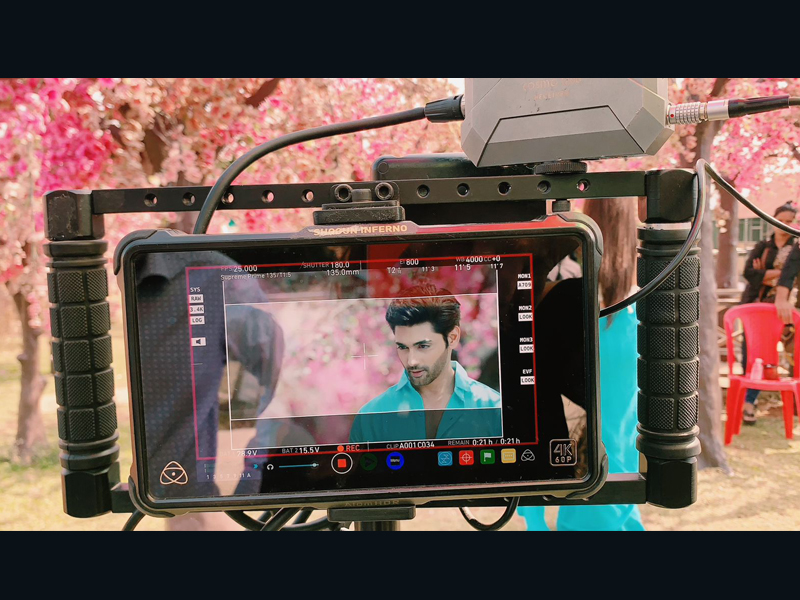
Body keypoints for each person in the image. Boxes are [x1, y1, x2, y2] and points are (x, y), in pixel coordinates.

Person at [517, 197, 645, 531]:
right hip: (619, 475)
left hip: (574, 473)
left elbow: (537, 398)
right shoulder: (643, 306)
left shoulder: (567, 300)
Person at [348, 283, 501, 443]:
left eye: (423, 346)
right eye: (403, 347)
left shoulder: (493, 409)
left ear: (453, 338)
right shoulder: (370, 418)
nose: (411, 361)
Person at [739, 202, 798, 424]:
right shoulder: (763, 246)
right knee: (753, 355)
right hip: (757, 306)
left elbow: (789, 275)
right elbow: (749, 273)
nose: (785, 225)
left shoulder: (795, 247)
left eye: (790, 222)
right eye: (781, 220)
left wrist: (765, 273)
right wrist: (779, 273)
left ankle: (792, 403)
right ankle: (748, 403)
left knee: (789, 353)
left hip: (784, 310)